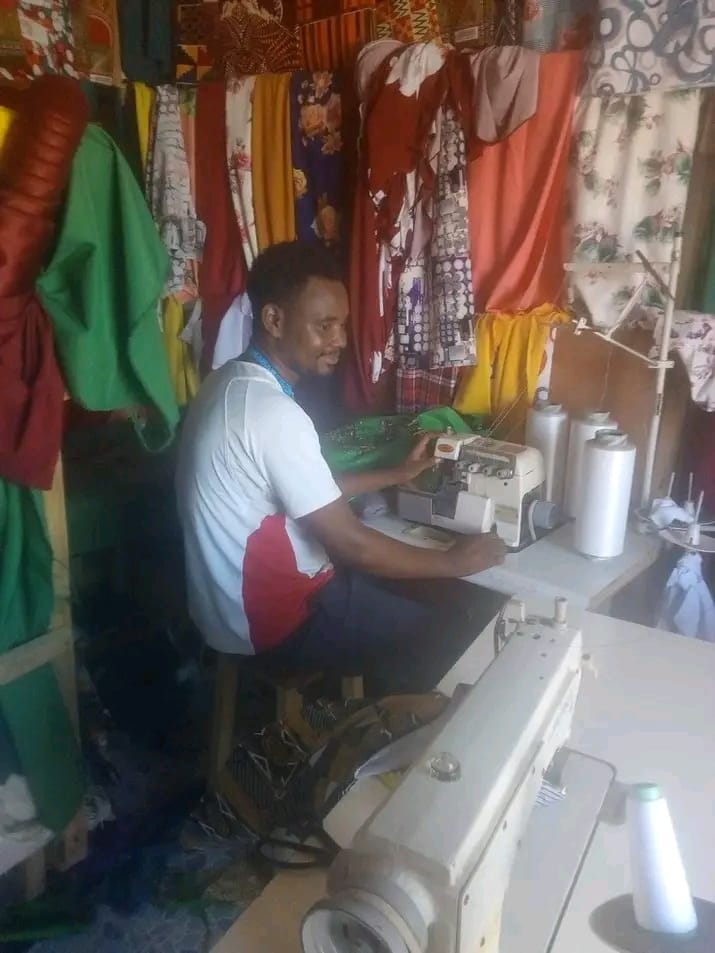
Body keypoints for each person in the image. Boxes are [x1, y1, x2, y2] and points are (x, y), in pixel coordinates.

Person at [176, 241, 505, 694]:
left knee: (409, 589)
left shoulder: (228, 383)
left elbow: (301, 490)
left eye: (342, 325)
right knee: (453, 626)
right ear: (274, 320)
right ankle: (381, 729)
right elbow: (351, 544)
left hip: (222, 614)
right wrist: (454, 561)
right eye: (324, 326)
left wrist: (395, 475)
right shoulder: (273, 414)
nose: (340, 341)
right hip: (280, 624)